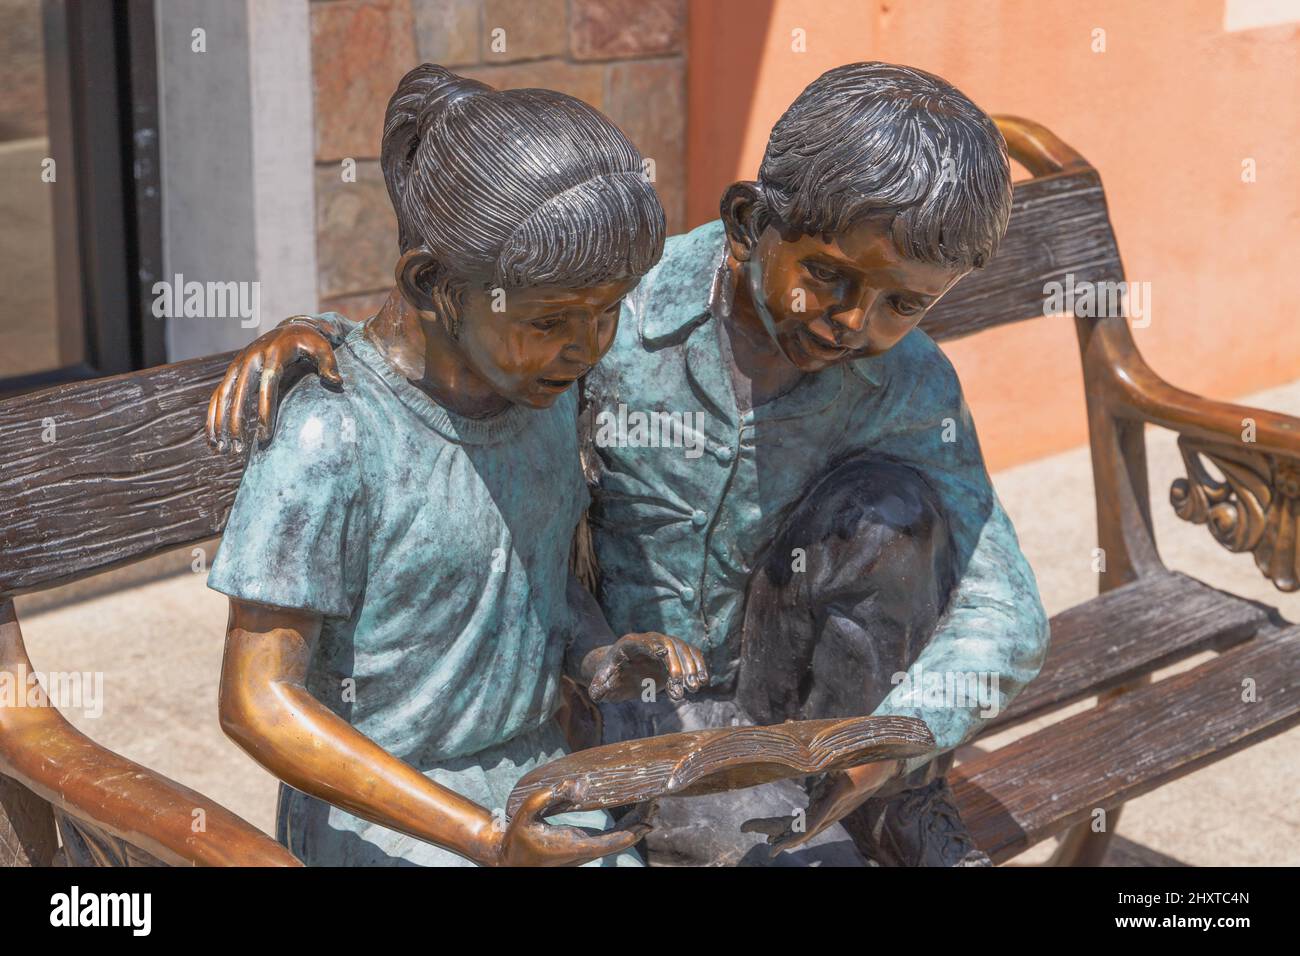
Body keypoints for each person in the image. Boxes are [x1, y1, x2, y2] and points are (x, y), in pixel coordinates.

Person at [210, 63, 1050, 867]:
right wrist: (331, 342)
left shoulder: (905, 380)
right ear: (749, 223)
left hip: (781, 713)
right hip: (615, 733)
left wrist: (895, 741)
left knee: (893, 512)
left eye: (904, 303)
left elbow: (1002, 604)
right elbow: (462, 327)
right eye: (826, 277)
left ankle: (891, 801)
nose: (852, 322)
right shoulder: (607, 309)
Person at [208, 64, 707, 867]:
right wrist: (481, 837)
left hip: (535, 787)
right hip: (384, 811)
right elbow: (256, 702)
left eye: (608, 312)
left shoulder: (541, 397)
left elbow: (536, 571)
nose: (585, 349)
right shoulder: (332, 434)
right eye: (550, 322)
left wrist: (601, 657)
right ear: (431, 283)